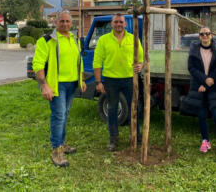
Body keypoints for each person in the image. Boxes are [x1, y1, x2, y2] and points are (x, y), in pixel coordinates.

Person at [32, 10, 86, 167]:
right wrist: (44, 86)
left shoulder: (75, 39)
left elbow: (78, 60)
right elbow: (38, 64)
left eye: (68, 21)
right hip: (57, 85)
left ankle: (61, 143)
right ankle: (56, 151)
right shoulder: (47, 40)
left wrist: (81, 79)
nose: (65, 24)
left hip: (72, 84)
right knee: (59, 116)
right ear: (55, 22)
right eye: (62, 21)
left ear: (71, 23)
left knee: (65, 113)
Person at [93, 13, 143, 151]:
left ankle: (136, 136)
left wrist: (141, 65)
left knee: (135, 108)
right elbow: (97, 62)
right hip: (110, 80)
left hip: (129, 79)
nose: (119, 24)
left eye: (121, 22)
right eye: (116, 22)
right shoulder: (103, 40)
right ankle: (113, 139)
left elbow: (141, 57)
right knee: (112, 109)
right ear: (111, 24)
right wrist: (98, 82)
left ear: (125, 24)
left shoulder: (133, 39)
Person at [187, 27, 216, 157]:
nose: (205, 36)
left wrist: (207, 83)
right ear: (199, 37)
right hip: (199, 86)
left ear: (211, 35)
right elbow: (191, 68)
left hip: (214, 88)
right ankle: (205, 140)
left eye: (207, 33)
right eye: (202, 34)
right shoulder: (194, 49)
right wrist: (205, 81)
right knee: (202, 115)